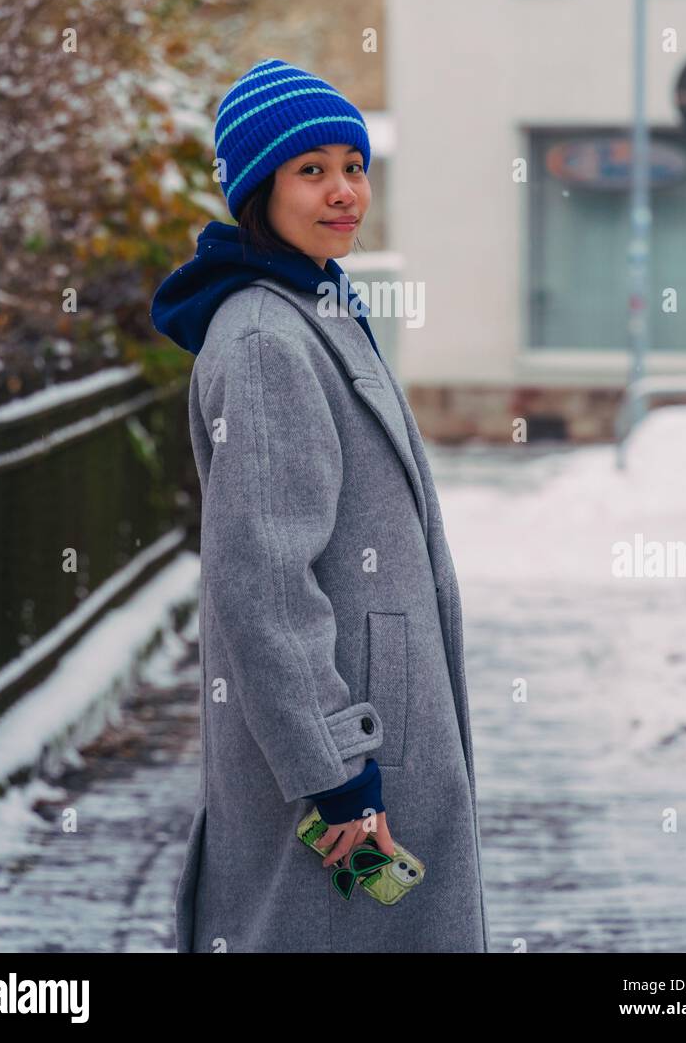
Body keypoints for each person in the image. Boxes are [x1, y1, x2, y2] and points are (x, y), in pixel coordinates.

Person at [151, 57, 489, 953]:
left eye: (354, 165)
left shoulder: (314, 303)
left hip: (371, 724)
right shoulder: (267, 339)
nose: (343, 192)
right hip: (346, 753)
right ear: (260, 189)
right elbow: (261, 579)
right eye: (312, 171)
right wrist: (335, 767)